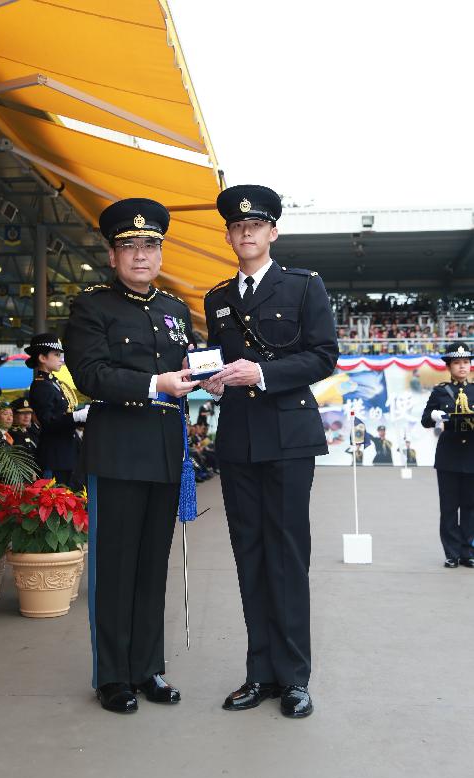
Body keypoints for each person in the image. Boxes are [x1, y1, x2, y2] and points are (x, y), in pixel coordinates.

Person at [202, 185, 338, 719]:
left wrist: (262, 373)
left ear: (272, 232)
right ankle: (259, 671)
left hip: (288, 437)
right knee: (249, 555)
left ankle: (295, 676)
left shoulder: (303, 286)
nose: (246, 233)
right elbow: (216, 360)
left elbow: (324, 355)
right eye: (237, 228)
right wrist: (209, 380)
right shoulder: (216, 298)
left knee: (286, 555)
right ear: (230, 235)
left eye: (255, 225)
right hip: (237, 438)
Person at [64, 197, 198, 715]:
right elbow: (91, 374)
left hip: (166, 450)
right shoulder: (92, 305)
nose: (141, 255)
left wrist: (204, 379)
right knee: (115, 568)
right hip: (118, 448)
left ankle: (149, 668)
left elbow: (182, 371)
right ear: (112, 254)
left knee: (151, 568)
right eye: (129, 246)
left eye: (150, 245)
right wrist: (154, 383)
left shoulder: (174, 309)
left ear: (160, 253)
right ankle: (113, 677)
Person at [421, 342, 474, 568]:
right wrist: (435, 416)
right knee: (449, 508)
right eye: (457, 363)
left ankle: (468, 552)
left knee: (471, 508)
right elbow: (425, 420)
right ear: (449, 366)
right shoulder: (440, 391)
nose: (462, 367)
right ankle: (452, 553)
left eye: (466, 362)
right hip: (449, 457)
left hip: (472, 455)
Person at [26, 334, 87, 486]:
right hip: (55, 457)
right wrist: (76, 417)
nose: (61, 359)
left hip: (67, 454)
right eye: (57, 355)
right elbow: (48, 421)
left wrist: (82, 418)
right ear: (42, 358)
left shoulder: (53, 383)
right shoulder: (41, 385)